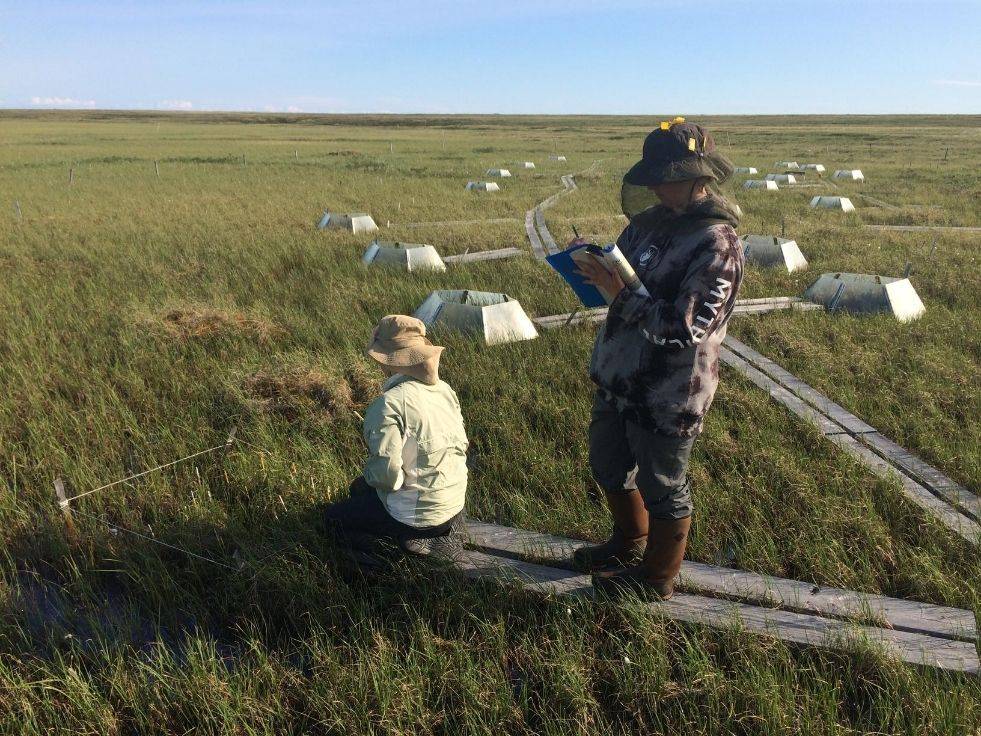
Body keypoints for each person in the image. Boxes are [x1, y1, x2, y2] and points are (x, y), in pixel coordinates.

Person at [571, 119, 744, 598]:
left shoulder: (718, 243)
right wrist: (594, 271)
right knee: (608, 464)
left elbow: (687, 327)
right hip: (619, 373)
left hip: (670, 389)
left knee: (664, 484)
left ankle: (657, 577)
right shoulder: (646, 227)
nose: (658, 188)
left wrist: (618, 295)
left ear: (700, 179)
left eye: (668, 178)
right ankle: (628, 541)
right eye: (655, 178)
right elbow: (623, 277)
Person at [323, 315, 469, 558]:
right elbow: (461, 447)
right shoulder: (445, 390)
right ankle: (428, 533)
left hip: (418, 516)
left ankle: (392, 556)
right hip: (454, 505)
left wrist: (372, 473)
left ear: (388, 361)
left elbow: (389, 479)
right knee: (358, 489)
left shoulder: (388, 404)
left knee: (332, 519)